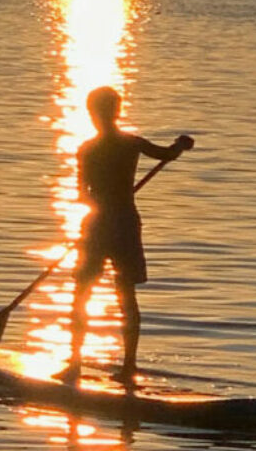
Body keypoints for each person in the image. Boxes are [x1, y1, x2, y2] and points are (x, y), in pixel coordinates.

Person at [59, 86, 193, 389]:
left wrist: (99, 212)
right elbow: (168, 154)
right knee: (124, 297)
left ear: (94, 113)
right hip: (124, 225)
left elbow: (83, 196)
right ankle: (124, 367)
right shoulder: (132, 144)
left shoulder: (87, 149)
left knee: (84, 294)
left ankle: (77, 366)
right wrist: (180, 145)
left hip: (101, 226)